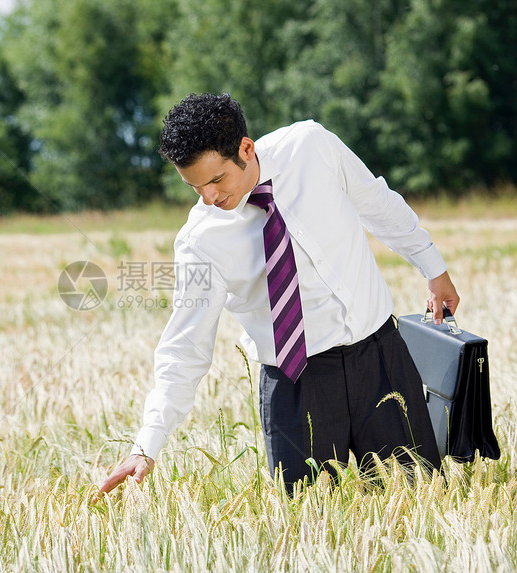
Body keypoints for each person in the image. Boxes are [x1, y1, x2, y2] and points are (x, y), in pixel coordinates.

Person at [97, 93, 459, 496]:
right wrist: (147, 444)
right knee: (310, 527)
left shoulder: (311, 146)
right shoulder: (200, 242)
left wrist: (434, 269)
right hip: (295, 386)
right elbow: (185, 347)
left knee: (423, 498)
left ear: (246, 149)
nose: (209, 198)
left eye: (216, 180)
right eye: (195, 187)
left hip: (381, 359)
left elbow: (377, 204)